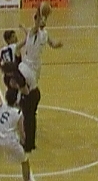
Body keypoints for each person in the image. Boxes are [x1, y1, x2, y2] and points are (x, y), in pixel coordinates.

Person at [17, 11, 63, 152]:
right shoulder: (33, 31)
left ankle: (26, 110)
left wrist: (57, 45)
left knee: (31, 94)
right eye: (40, 19)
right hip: (27, 66)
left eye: (44, 19)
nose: (42, 21)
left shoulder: (45, 33)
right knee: (28, 93)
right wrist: (39, 11)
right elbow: (33, 28)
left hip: (36, 67)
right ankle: (21, 108)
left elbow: (52, 44)